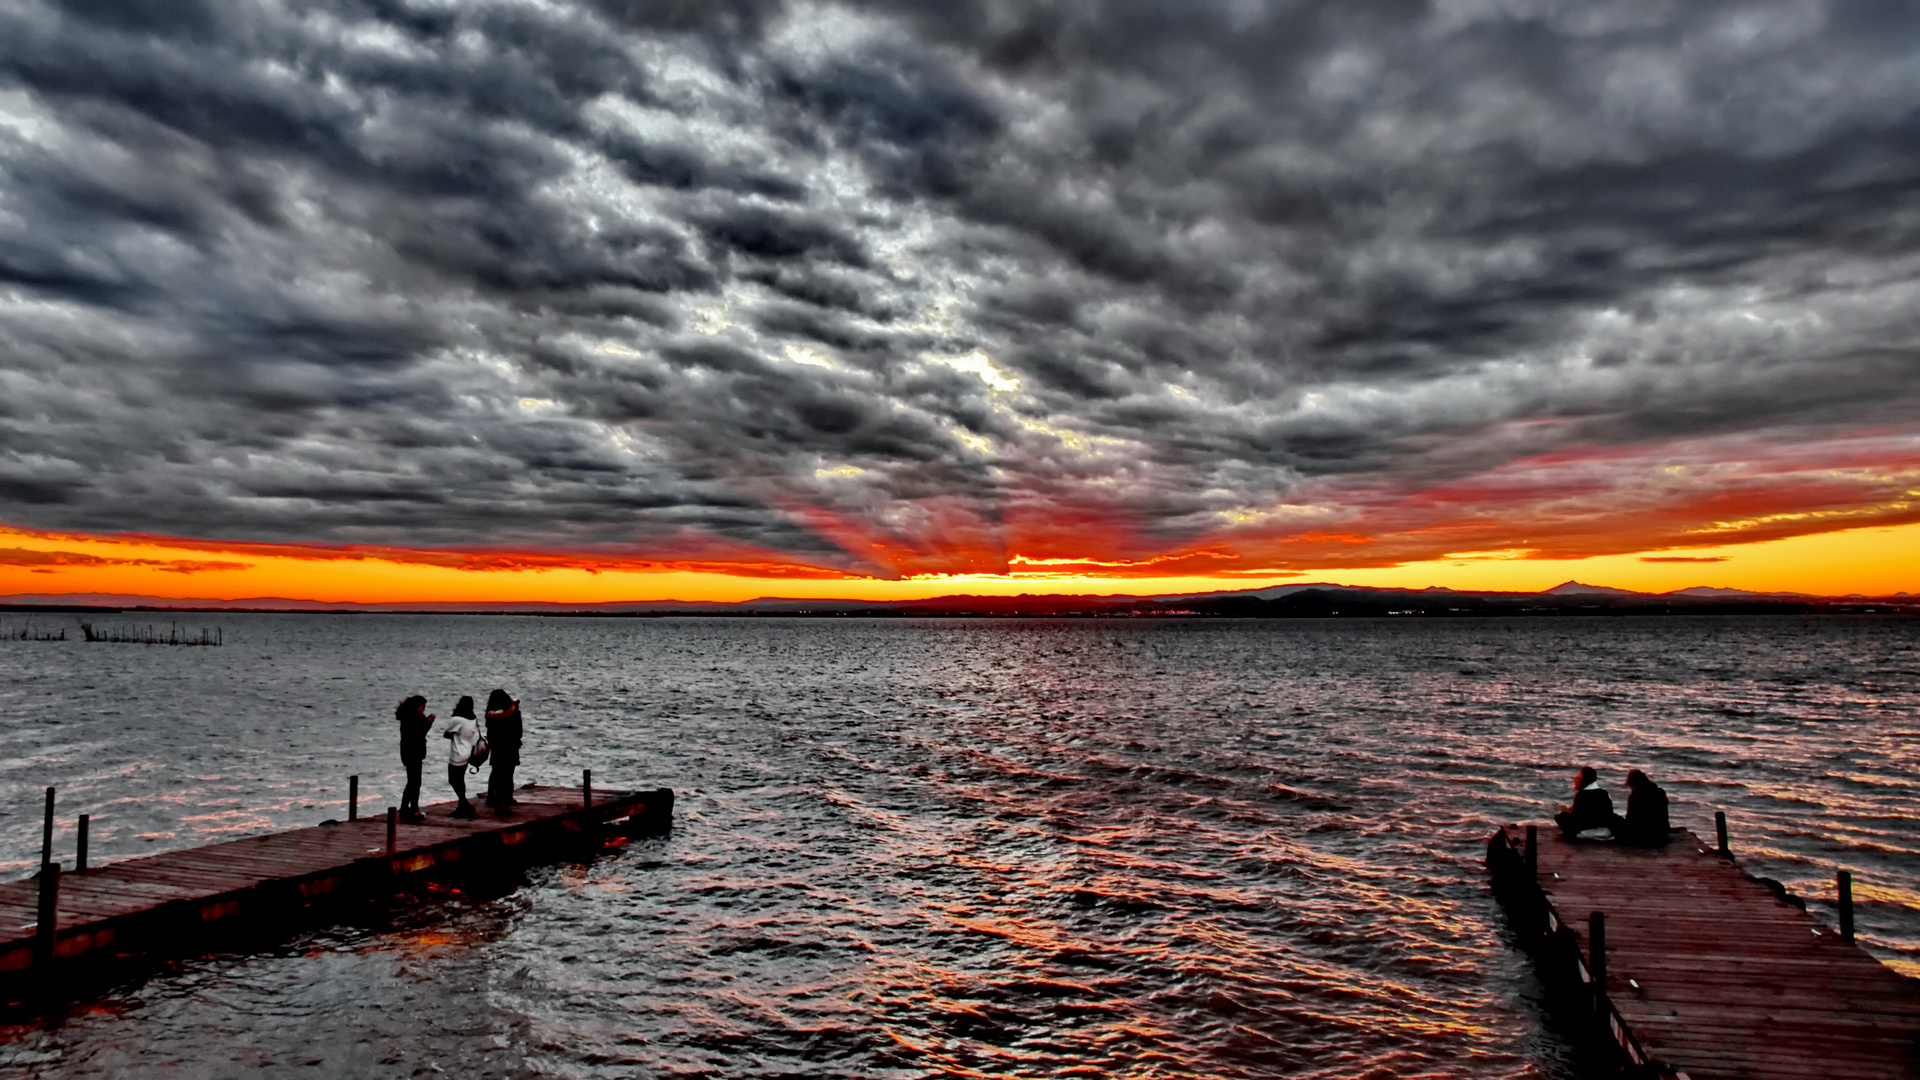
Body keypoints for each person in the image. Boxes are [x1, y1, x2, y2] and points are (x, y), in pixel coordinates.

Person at [1553, 766, 1620, 839]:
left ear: (1584, 779)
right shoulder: (1604, 793)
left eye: (1579, 776)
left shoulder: (1581, 795)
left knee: (1561, 817)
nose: (1576, 779)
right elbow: (1609, 814)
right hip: (1606, 830)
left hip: (1585, 829)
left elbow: (1577, 817)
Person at [395, 695, 433, 822]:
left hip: (407, 752)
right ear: (416, 707)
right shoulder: (414, 717)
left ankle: (405, 807)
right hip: (414, 752)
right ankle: (413, 809)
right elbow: (420, 732)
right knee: (415, 782)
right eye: (422, 707)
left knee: (412, 782)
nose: (423, 710)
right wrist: (429, 722)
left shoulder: (406, 717)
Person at [484, 689, 523, 810]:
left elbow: (489, 731)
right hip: (511, 746)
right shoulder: (514, 712)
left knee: (496, 772)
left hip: (497, 746)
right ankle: (508, 796)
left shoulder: (490, 714)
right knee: (509, 773)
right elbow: (519, 731)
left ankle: (492, 796)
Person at [442, 695, 480, 819]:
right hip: (468, 751)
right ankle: (463, 804)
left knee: (453, 780)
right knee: (460, 779)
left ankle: (463, 803)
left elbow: (448, 734)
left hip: (457, 753)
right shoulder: (473, 719)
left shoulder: (457, 719)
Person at [1619, 769, 1672, 845]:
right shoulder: (1660, 792)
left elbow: (1631, 819)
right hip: (1661, 835)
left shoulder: (1635, 797)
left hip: (1643, 836)